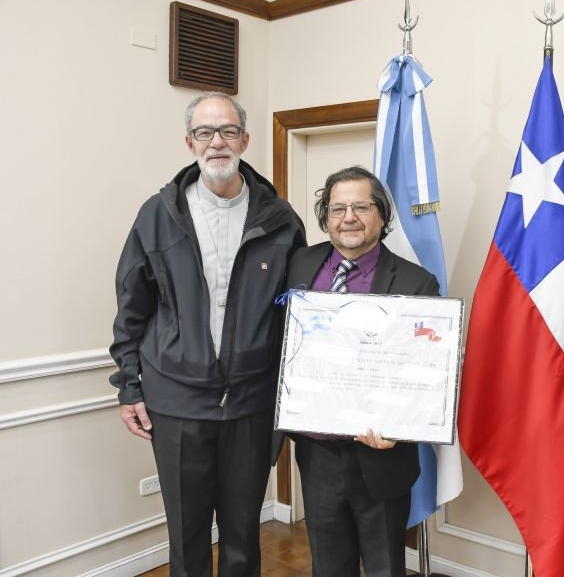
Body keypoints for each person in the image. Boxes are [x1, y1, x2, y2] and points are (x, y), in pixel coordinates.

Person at [109, 91, 306, 576]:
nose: (216, 142)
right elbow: (131, 309)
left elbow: (299, 318)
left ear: (244, 138)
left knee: (243, 534)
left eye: (227, 131)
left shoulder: (280, 220)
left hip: (252, 405)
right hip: (175, 405)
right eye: (204, 132)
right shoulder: (158, 215)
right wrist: (129, 386)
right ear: (189, 141)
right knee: (188, 534)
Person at [273, 166, 438, 577]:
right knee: (329, 566)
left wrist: (399, 428)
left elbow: (426, 372)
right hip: (317, 452)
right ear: (325, 216)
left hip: (381, 453)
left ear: (382, 216)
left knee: (385, 566)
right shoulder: (298, 264)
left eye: (361, 207)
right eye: (338, 208)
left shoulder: (417, 282)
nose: (349, 217)